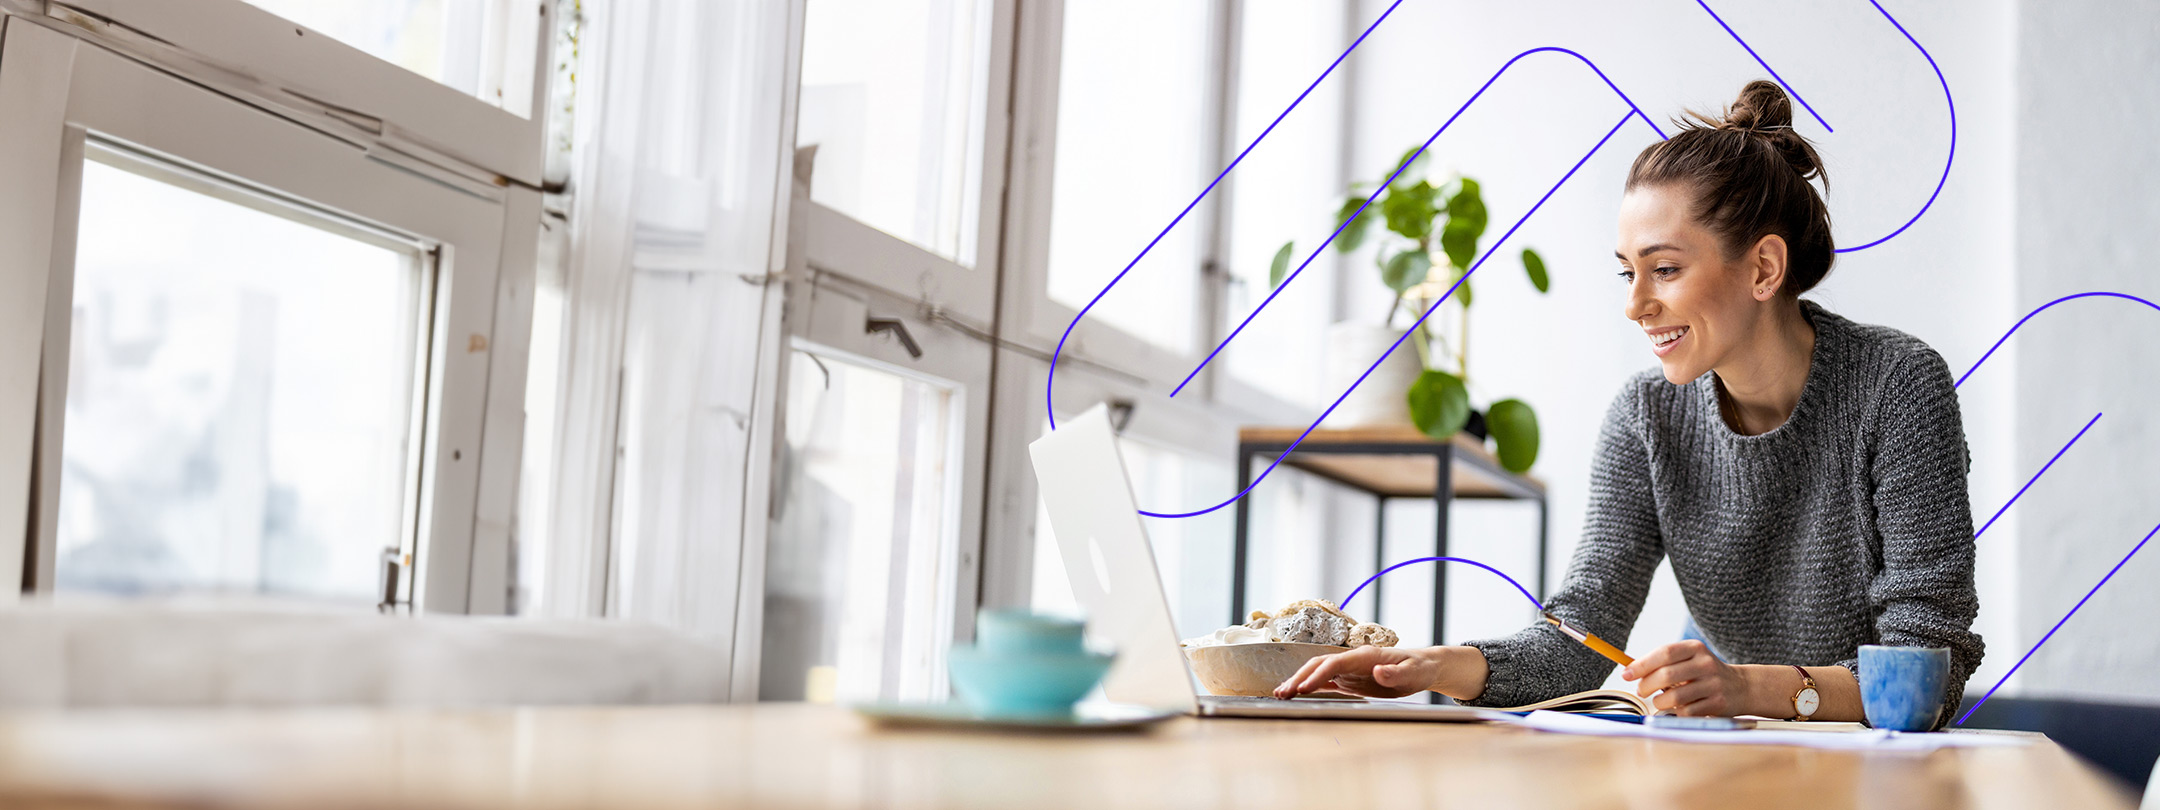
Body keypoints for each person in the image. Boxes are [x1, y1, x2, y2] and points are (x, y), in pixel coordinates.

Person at [1275, 79, 1983, 728]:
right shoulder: (1647, 416)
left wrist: (1744, 688)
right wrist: (1434, 667)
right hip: (1729, 755)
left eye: (1665, 269)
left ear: (1764, 268)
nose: (1636, 305)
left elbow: (1928, 675)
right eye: (1628, 273)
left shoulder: (1897, 385)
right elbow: (1582, 636)